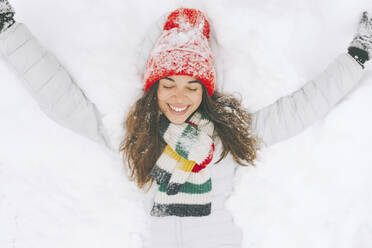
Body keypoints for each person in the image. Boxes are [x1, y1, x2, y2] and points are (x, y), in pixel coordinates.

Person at [1, 2, 371, 247]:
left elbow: (303, 108)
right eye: (169, 84)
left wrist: (358, 55)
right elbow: (57, 94)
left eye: (192, 85)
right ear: (153, 88)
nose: (180, 96)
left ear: (205, 91)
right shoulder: (135, 137)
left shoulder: (227, 136)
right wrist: (8, 30)